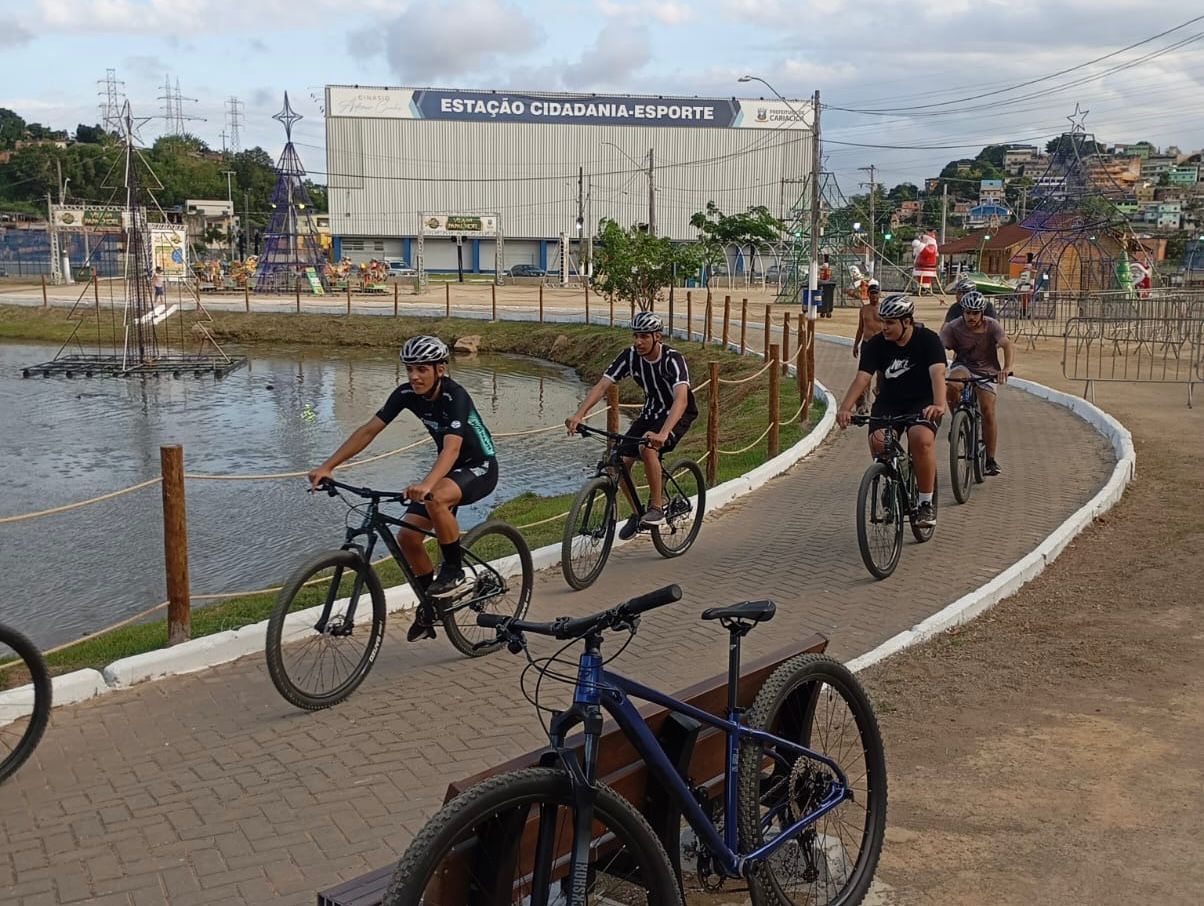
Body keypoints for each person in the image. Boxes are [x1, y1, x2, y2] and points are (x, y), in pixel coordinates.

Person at [308, 335, 498, 642]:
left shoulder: (456, 396)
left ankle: (454, 571)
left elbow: (451, 450)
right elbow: (369, 430)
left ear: (440, 369)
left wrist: (426, 484)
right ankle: (431, 606)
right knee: (408, 538)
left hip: (479, 467)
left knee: (436, 499)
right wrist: (329, 465)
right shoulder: (407, 393)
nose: (414, 376)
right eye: (409, 369)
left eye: (422, 369)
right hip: (447, 471)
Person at [565, 310, 697, 539]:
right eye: (636, 335)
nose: (638, 341)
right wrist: (579, 415)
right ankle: (638, 515)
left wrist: (664, 432)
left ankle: (657, 507)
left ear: (658, 337)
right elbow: (602, 385)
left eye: (645, 336)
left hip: (677, 414)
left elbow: (681, 399)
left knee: (647, 446)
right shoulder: (629, 356)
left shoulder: (672, 359)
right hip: (650, 412)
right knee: (615, 463)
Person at [837, 294, 946, 528]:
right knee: (879, 442)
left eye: (890, 322)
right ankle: (895, 477)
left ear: (906, 322)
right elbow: (862, 377)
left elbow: (938, 373)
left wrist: (939, 404)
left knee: (921, 439)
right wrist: (845, 408)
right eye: (883, 321)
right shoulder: (876, 344)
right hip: (888, 402)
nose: (884, 327)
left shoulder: (928, 340)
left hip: (922, 402)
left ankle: (925, 503)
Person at [940, 291, 1015, 476]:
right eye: (967, 312)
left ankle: (990, 459)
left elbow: (1006, 344)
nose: (971, 317)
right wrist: (937, 369)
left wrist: (1006, 368)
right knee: (951, 386)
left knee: (988, 411)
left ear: (982, 312)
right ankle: (958, 419)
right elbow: (939, 346)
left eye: (975, 313)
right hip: (963, 367)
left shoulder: (992, 325)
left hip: (987, 371)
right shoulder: (954, 327)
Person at [852, 279, 884, 414]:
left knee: (882, 374)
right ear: (869, 294)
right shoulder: (864, 309)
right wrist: (856, 344)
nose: (874, 296)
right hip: (867, 343)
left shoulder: (883, 309)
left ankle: (881, 398)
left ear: (879, 294)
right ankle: (863, 404)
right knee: (865, 375)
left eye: (876, 294)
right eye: (872, 293)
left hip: (881, 344)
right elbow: (860, 328)